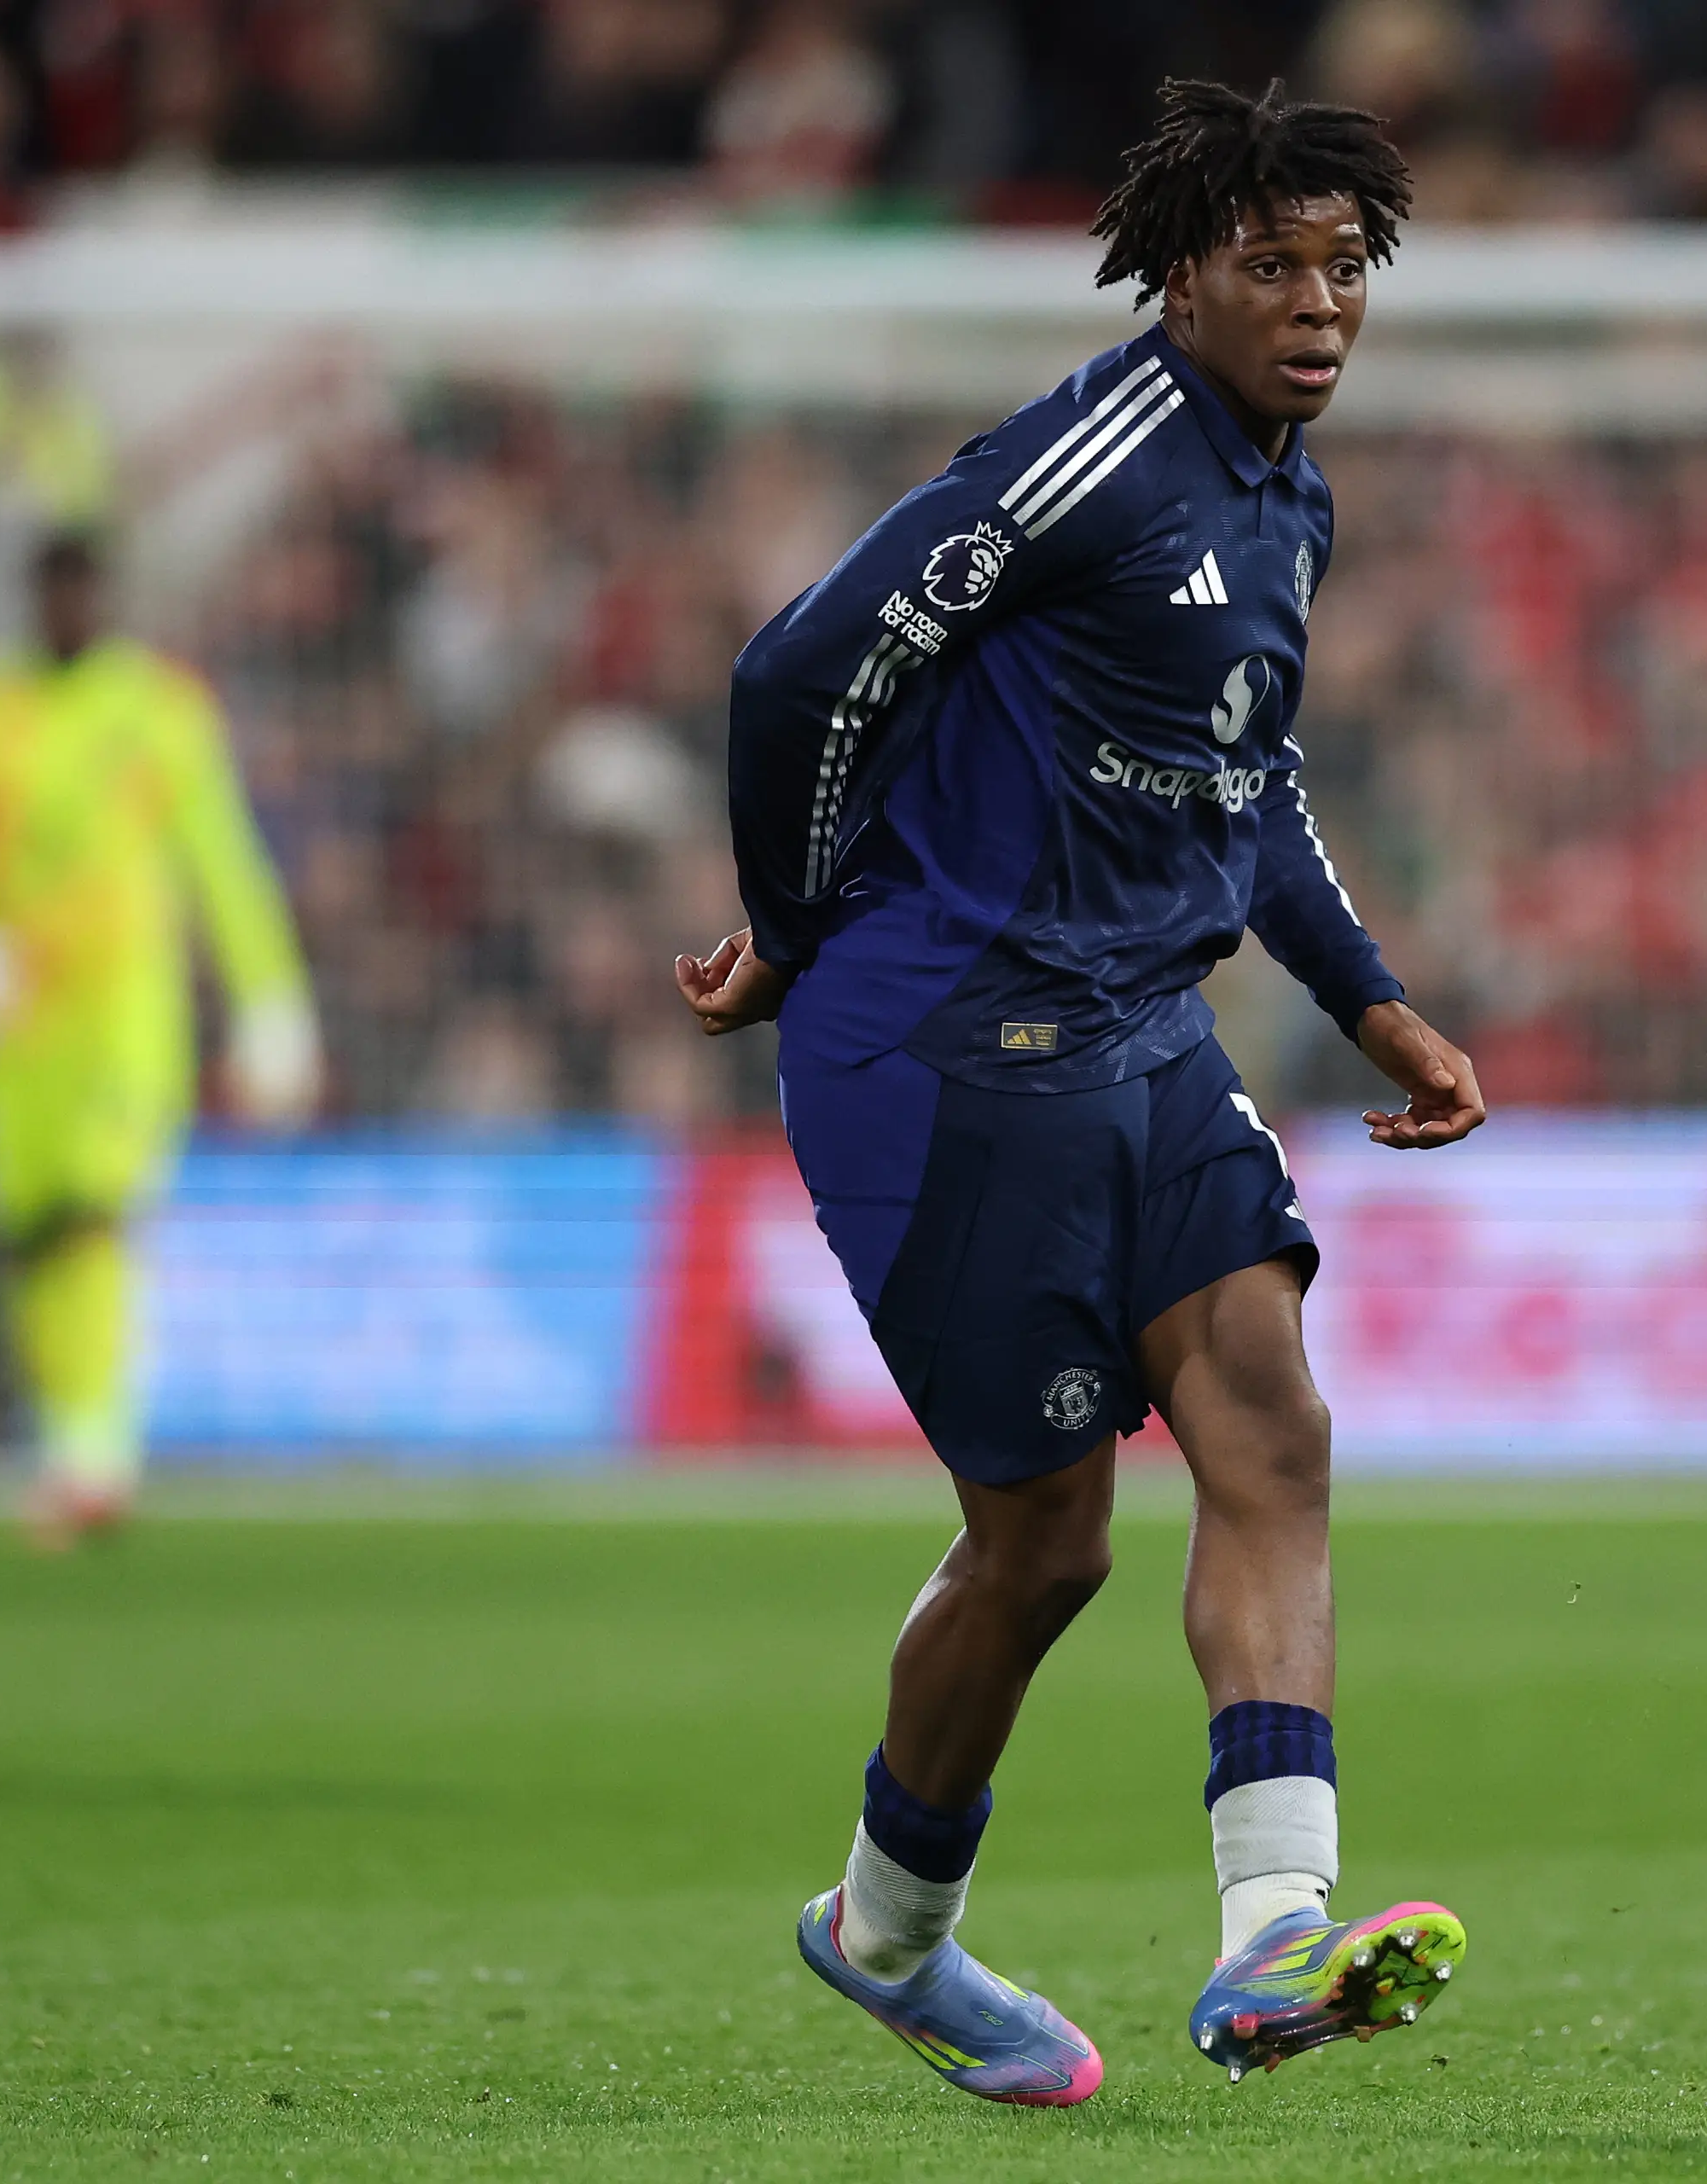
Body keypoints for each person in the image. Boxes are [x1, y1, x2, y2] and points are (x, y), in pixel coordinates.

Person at [676, 78, 1489, 2106]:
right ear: (1183, 273)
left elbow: (1244, 770)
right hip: (939, 1044)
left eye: (1344, 266)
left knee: (1268, 1421)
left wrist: (1370, 1002)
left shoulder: (1284, 494)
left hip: (1140, 1028)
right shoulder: (1092, 455)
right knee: (1041, 1545)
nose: (1316, 303)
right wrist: (789, 920)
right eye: (1272, 265)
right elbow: (800, 668)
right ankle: (883, 1929)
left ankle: (1271, 1930)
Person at [0, 532, 318, 1542]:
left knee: (93, 1211)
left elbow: (224, 864)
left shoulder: (162, 712)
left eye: (87, 588)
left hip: (128, 1016)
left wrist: (271, 1000)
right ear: (32, 596)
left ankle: (96, 1455)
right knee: (34, 1239)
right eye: (55, 589)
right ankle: (74, 1440)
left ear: (108, 596)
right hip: (13, 1028)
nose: (73, 607)